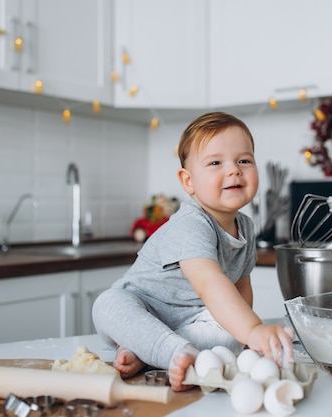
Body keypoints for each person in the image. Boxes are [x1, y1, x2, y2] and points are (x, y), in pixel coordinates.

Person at [92, 111, 294, 391]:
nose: (234, 170)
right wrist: (253, 330)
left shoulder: (245, 227)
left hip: (192, 319)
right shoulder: (191, 223)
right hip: (138, 308)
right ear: (188, 182)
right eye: (215, 163)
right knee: (106, 303)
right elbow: (209, 283)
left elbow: (241, 286)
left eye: (244, 160)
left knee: (230, 336)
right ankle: (173, 351)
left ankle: (149, 352)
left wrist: (246, 335)